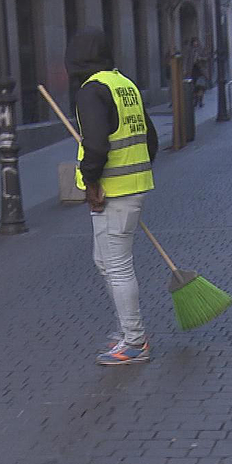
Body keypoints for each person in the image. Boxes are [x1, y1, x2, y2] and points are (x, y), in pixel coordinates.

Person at [67, 29, 159, 365]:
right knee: (104, 261)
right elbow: (151, 139)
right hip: (129, 188)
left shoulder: (91, 91)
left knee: (117, 268)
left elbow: (95, 146)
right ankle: (128, 330)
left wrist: (92, 184)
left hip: (111, 193)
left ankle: (134, 341)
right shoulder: (125, 85)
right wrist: (135, 178)